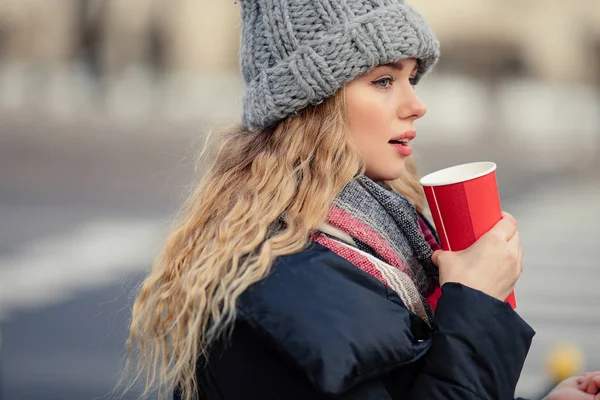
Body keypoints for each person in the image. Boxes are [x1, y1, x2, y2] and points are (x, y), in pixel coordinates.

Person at [125, 1, 600, 399]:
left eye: (412, 77)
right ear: (314, 102)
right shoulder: (287, 281)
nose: (416, 103)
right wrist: (475, 303)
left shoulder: (367, 235)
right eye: (384, 80)